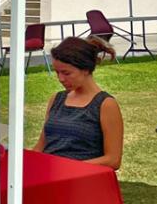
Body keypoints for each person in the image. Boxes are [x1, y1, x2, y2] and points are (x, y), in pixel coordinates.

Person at [33, 36, 124, 170]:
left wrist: (67, 167)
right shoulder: (56, 99)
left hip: (82, 179)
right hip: (49, 174)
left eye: (66, 73)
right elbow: (41, 145)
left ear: (85, 69)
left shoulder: (105, 104)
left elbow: (112, 160)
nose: (61, 79)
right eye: (57, 72)